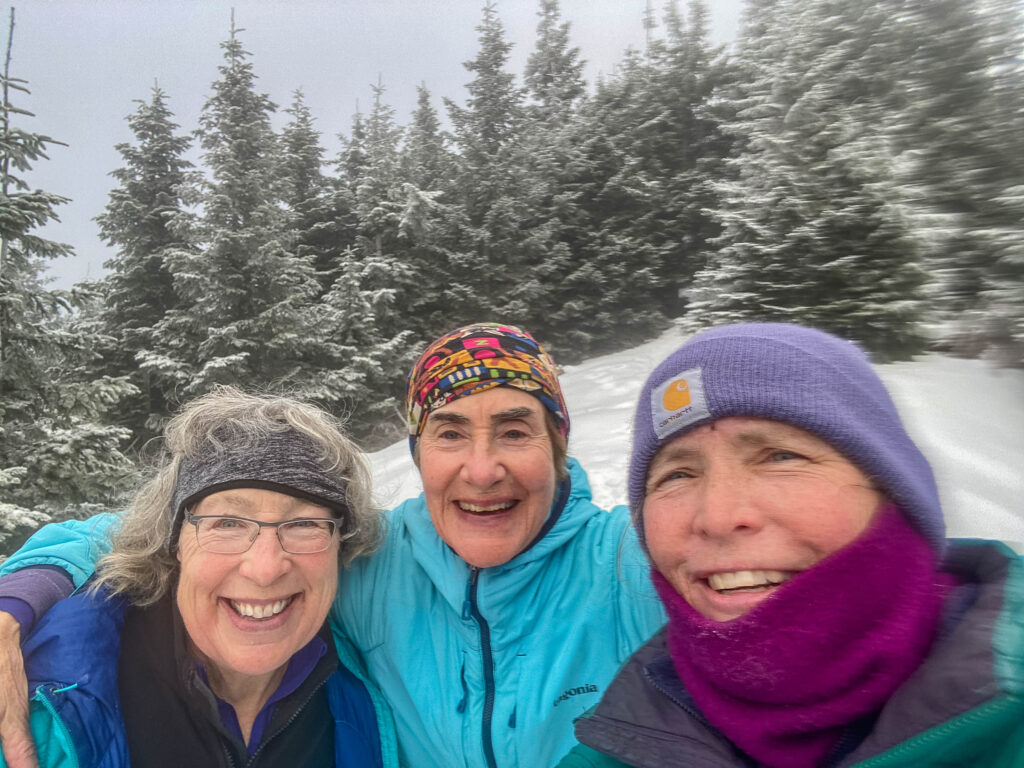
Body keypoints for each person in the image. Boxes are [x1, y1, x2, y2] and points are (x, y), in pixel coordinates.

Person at [0, 323, 666, 768]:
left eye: (516, 432)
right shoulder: (382, 564)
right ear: (418, 452)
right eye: (451, 433)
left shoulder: (631, 564)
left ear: (558, 447)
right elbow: (137, 531)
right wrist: (25, 589)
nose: (483, 469)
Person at [557, 323, 1024, 768]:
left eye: (781, 456)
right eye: (677, 474)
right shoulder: (618, 743)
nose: (718, 517)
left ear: (895, 490)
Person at [0, 387, 395, 768]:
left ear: (340, 544)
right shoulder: (43, 686)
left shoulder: (374, 671)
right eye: (226, 523)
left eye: (305, 524)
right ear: (174, 542)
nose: (265, 568)